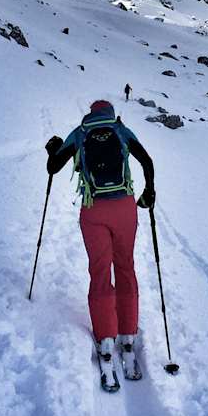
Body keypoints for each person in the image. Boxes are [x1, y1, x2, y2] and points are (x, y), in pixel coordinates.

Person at [45, 100, 155, 391]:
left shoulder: (80, 133)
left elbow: (54, 167)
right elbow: (147, 161)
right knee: (126, 268)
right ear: (110, 113)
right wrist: (149, 193)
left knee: (100, 272)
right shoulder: (120, 130)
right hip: (125, 208)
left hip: (93, 210)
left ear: (91, 113)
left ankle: (106, 339)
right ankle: (128, 337)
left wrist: (51, 148)